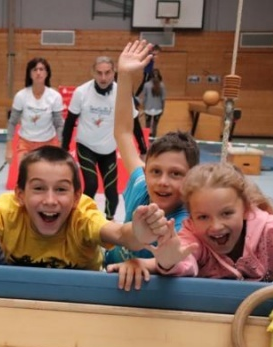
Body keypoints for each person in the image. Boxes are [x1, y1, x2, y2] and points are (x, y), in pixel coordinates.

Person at [0, 145, 169, 270]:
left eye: (61, 189)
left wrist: (139, 233)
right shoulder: (9, 212)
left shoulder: (82, 217)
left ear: (77, 197)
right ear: (20, 194)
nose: (50, 200)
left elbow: (121, 234)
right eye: (39, 188)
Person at [104, 40, 199, 290]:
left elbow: (181, 260)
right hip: (106, 276)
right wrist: (125, 76)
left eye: (176, 174)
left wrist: (140, 263)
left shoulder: (188, 220)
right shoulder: (140, 185)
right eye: (156, 171)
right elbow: (123, 132)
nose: (162, 181)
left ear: (192, 179)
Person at [152, 162, 273, 280]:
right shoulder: (193, 237)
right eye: (203, 217)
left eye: (227, 213)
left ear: (246, 209)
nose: (216, 226)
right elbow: (186, 261)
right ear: (192, 219)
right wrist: (170, 262)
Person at [62, 56, 138, 221]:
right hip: (86, 146)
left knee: (112, 193)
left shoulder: (122, 93)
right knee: (91, 184)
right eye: (99, 73)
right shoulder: (82, 92)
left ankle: (108, 222)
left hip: (108, 149)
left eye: (107, 73)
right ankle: (81, 219)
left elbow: (135, 120)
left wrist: (143, 148)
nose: (103, 78)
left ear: (114, 72)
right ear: (93, 72)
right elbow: (70, 122)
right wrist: (64, 149)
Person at [6, 58, 64, 164]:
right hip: (25, 145)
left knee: (45, 174)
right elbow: (12, 122)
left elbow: (59, 124)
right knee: (26, 173)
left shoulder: (55, 96)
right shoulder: (21, 96)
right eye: (34, 69)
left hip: (48, 144)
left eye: (41, 69)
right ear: (30, 74)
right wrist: (9, 149)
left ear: (47, 73)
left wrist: (60, 147)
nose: (38, 72)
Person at [142, 68, 165, 137]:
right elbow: (163, 99)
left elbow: (144, 97)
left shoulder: (146, 85)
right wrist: (163, 109)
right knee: (155, 126)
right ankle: (154, 138)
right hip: (158, 109)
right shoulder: (162, 85)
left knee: (147, 125)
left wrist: (143, 107)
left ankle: (146, 139)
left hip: (148, 108)